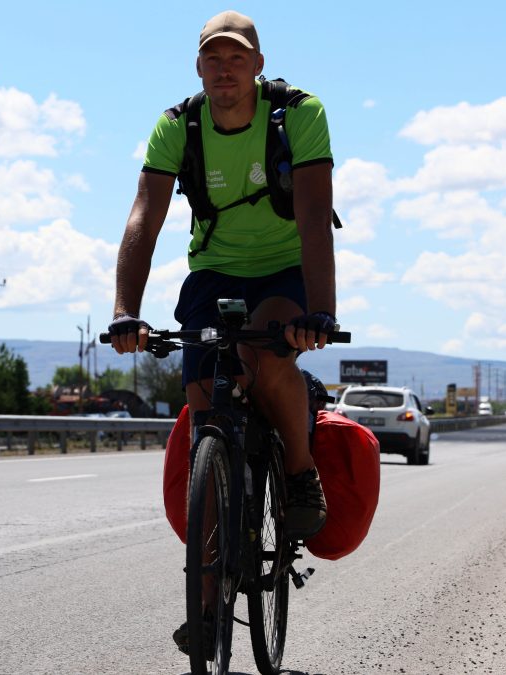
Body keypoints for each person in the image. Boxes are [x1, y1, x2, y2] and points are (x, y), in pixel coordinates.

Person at [110, 8, 337, 539]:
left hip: (285, 267)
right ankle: (208, 608)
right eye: (214, 59)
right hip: (213, 271)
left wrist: (321, 311)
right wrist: (126, 313)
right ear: (198, 67)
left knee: (265, 352)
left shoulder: (298, 114)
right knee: (204, 398)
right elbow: (145, 217)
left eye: (237, 58)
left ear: (258, 64)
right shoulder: (177, 125)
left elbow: (312, 217)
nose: (225, 69)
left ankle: (301, 471)